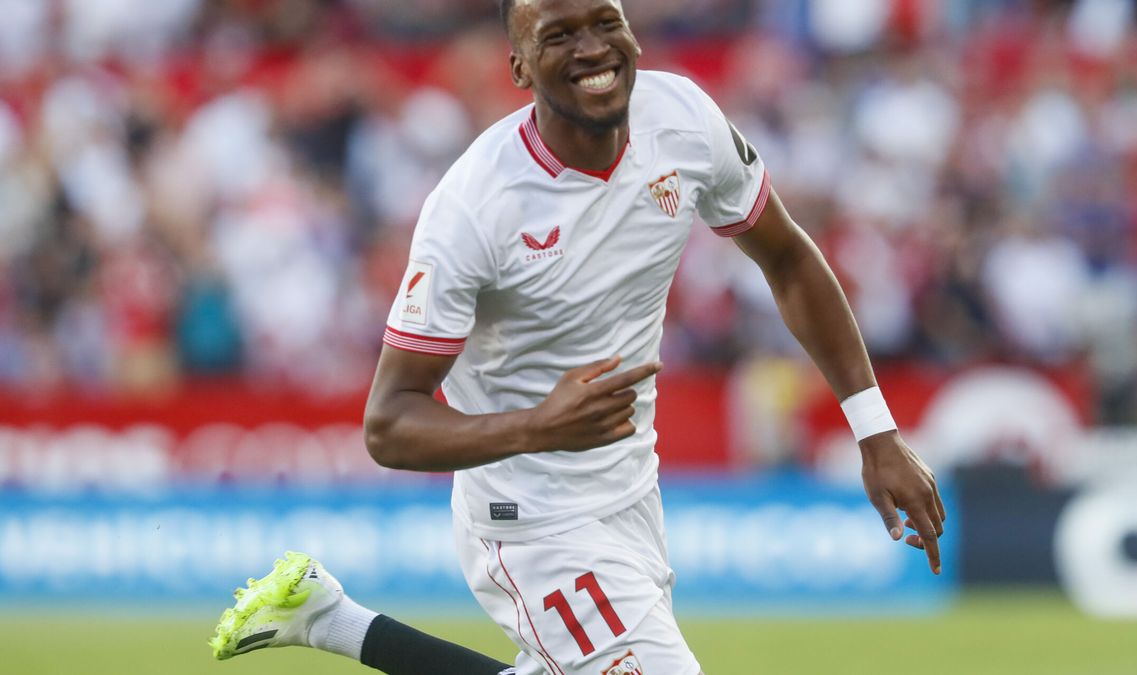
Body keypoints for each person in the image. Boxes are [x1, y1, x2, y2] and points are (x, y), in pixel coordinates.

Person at [208, 0, 946, 673]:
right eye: (559, 35)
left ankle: (328, 618)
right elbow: (388, 423)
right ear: (520, 67)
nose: (593, 48)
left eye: (605, 22)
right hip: (527, 520)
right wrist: (539, 426)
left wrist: (875, 430)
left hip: (632, 490)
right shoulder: (473, 208)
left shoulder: (683, 120)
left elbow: (788, 259)